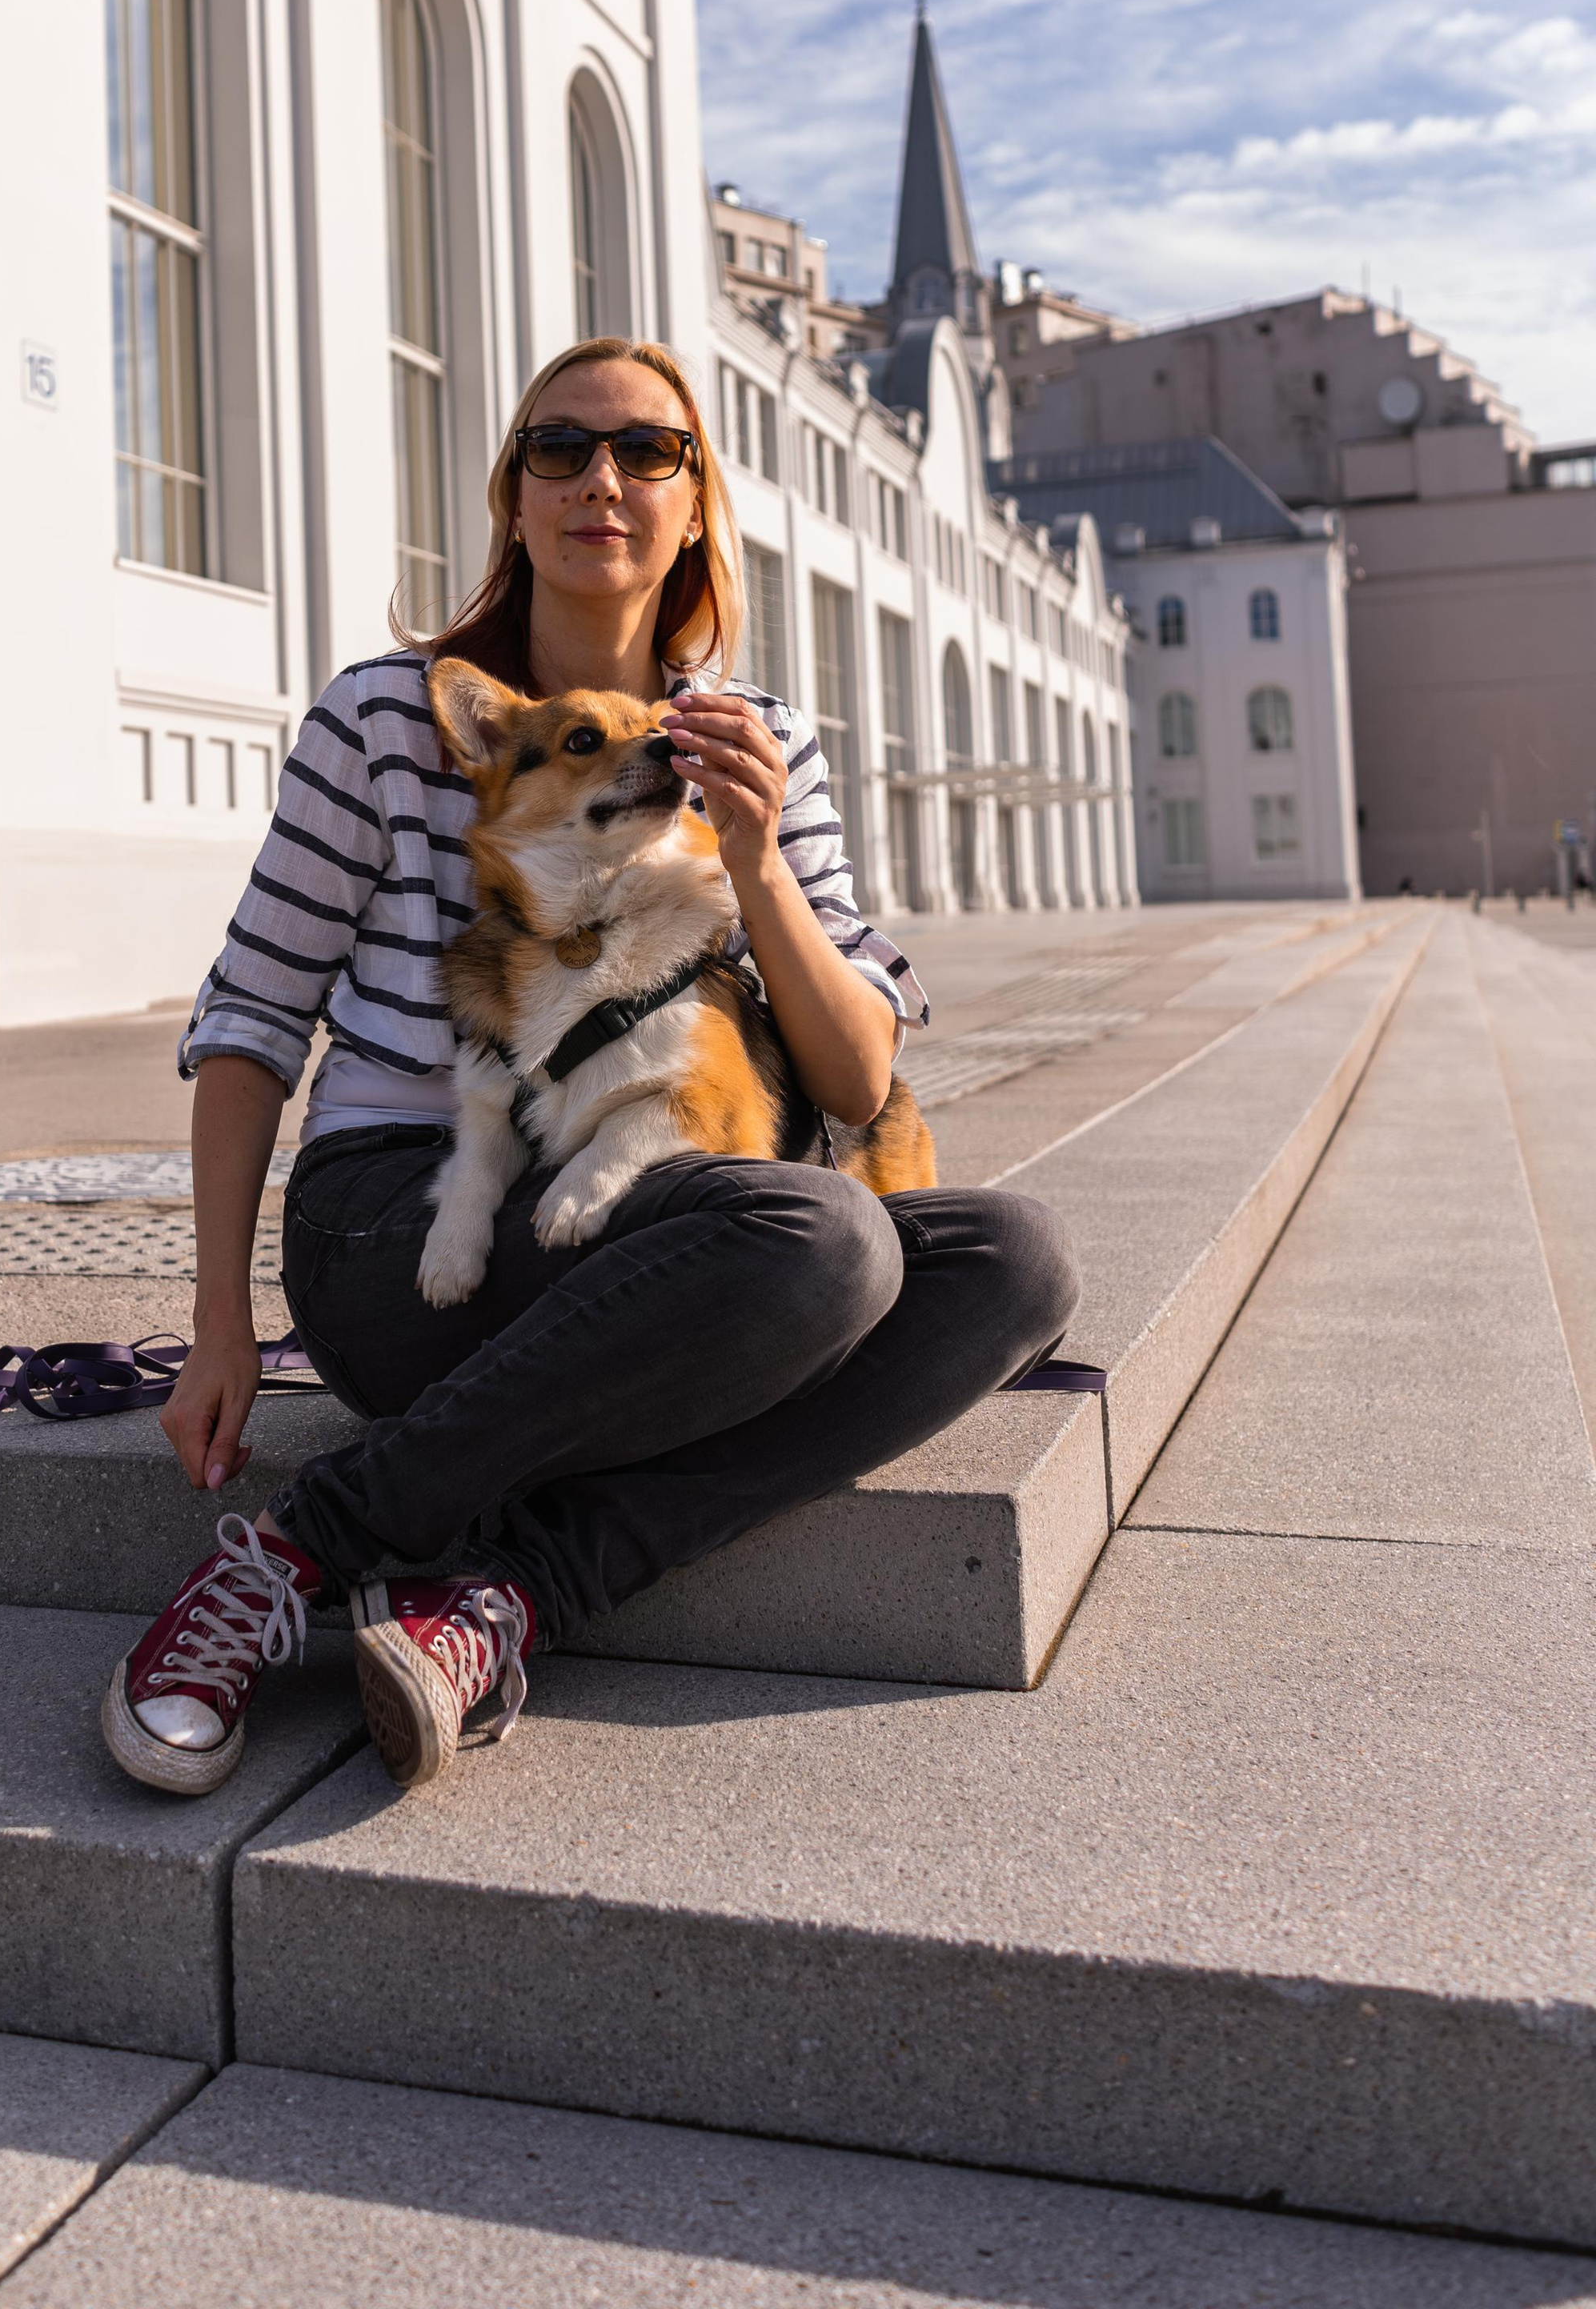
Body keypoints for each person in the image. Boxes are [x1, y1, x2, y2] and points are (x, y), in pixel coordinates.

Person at [102, 337, 1079, 1798]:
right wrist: (219, 1322)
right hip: (406, 1221)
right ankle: (296, 1554)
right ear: (511, 496)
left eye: (647, 453)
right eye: (558, 450)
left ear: (696, 510)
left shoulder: (763, 743)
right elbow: (250, 1018)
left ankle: (503, 1601)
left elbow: (858, 1078)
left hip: (657, 1208)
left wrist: (754, 860)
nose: (600, 481)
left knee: (1016, 1257)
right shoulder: (386, 716)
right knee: (817, 1238)